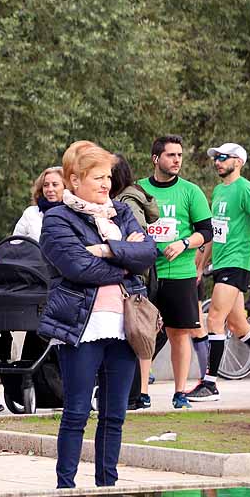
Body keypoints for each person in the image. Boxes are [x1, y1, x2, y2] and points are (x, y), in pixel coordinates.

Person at [37, 141, 156, 489]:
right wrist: (126, 261)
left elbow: (148, 253)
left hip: (126, 327)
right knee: (76, 413)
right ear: (74, 180)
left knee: (114, 415)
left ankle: (108, 486)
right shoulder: (57, 216)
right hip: (81, 326)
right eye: (97, 178)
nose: (106, 184)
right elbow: (77, 267)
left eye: (108, 177)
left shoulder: (121, 211)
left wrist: (106, 250)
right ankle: (66, 486)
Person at [194, 142, 250, 400]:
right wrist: (200, 264)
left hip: (236, 263)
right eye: (216, 158)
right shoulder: (219, 191)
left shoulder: (245, 188)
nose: (218, 162)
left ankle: (210, 383)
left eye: (223, 157)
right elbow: (214, 231)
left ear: (239, 162)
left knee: (214, 319)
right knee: (238, 323)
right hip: (221, 263)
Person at [136, 135, 213, 410]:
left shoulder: (191, 192)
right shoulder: (139, 190)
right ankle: (141, 392)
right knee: (143, 333)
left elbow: (206, 231)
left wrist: (183, 244)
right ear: (156, 159)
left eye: (179, 155)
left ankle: (180, 393)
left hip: (180, 273)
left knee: (179, 333)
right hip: (145, 274)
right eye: (171, 155)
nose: (177, 160)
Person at [110, 153, 158, 410]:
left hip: (132, 280)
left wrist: (115, 249)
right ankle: (136, 394)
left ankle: (137, 394)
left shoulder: (126, 202)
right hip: (133, 278)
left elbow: (138, 244)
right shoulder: (127, 197)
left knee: (134, 335)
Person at [13, 166, 64, 241]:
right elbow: (15, 243)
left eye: (55, 184)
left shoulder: (73, 213)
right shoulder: (31, 213)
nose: (50, 189)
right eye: (46, 185)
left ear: (65, 187)